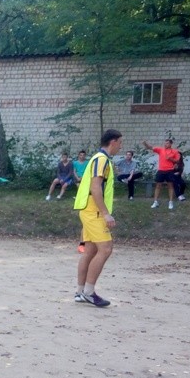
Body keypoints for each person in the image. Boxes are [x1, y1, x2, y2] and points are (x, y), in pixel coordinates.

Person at [74, 129, 123, 308]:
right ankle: (88, 293)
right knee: (106, 249)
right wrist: (105, 213)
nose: (120, 146)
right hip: (93, 211)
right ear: (113, 142)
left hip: (88, 210)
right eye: (120, 143)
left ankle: (80, 292)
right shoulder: (101, 159)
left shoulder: (99, 159)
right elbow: (95, 188)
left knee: (90, 251)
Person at [143, 138, 179, 209]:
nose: (166, 144)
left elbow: (177, 161)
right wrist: (145, 143)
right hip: (161, 170)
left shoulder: (175, 151)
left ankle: (170, 202)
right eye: (165, 143)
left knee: (170, 186)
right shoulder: (160, 150)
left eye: (167, 143)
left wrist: (170, 159)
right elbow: (150, 147)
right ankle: (155, 202)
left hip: (170, 170)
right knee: (158, 186)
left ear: (171, 144)